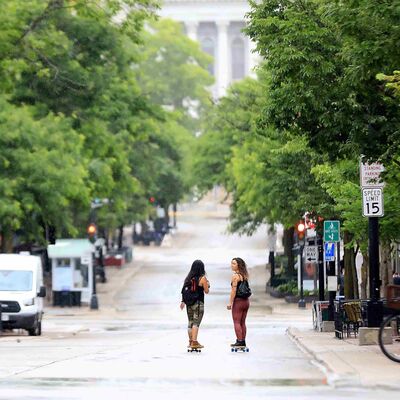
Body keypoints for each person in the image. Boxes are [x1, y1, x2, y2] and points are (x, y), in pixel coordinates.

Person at [180, 260, 209, 349]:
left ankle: (191, 341)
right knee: (196, 323)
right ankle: (195, 342)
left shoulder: (188, 278)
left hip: (189, 304)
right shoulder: (202, 278)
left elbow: (183, 291)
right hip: (198, 303)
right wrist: (207, 284)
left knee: (190, 323)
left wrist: (183, 301)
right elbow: (206, 291)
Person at [227, 257, 250, 348]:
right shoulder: (244, 275)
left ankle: (239, 341)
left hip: (238, 302)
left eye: (234, 264)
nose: (231, 265)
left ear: (238, 265)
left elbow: (233, 291)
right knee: (242, 322)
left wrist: (230, 303)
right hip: (246, 301)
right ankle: (243, 340)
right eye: (231, 263)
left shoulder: (235, 276)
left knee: (236, 322)